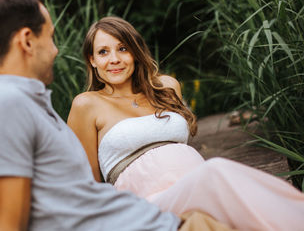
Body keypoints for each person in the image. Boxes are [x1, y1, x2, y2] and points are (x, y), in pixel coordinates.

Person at [0, 0, 236, 231]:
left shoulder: (27, 106)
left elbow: (84, 197)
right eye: (51, 37)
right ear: (28, 40)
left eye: (123, 48)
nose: (55, 50)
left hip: (162, 220)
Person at [67, 16, 304, 231]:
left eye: (122, 48)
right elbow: (86, 184)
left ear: (136, 52)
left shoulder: (166, 87)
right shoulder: (87, 105)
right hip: (146, 206)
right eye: (103, 52)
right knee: (217, 170)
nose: (115, 59)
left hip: (197, 187)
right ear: (92, 60)